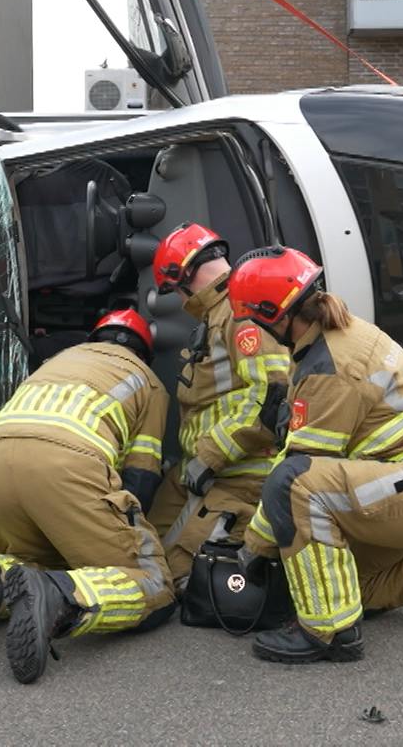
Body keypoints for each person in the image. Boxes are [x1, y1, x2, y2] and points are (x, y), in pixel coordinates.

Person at [229, 246, 403, 665]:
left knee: (293, 486)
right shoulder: (333, 336)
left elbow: (298, 476)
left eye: (256, 321)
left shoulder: (329, 365)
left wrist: (253, 551)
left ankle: (331, 633)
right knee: (337, 581)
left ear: (273, 314)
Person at [0, 310, 172, 685]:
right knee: (154, 583)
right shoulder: (148, 380)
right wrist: (131, 529)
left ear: (95, 337)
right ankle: (61, 597)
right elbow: (141, 476)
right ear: (145, 352)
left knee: (34, 558)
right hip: (66, 462)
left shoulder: (57, 361)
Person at [144, 223, 290, 585]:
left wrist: (209, 457)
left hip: (239, 471)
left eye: (175, 290)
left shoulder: (238, 311)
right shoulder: (219, 313)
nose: (179, 302)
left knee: (174, 574)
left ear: (184, 274)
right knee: (146, 550)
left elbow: (272, 395)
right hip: (204, 467)